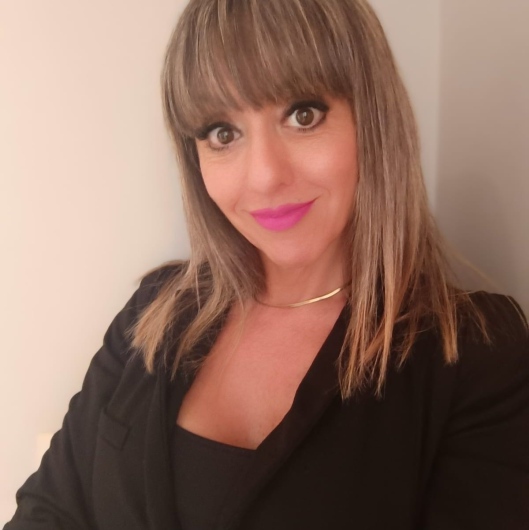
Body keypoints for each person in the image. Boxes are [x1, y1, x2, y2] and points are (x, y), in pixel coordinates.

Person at [5, 0, 529, 528]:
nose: (263, 177)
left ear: (373, 121)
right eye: (222, 133)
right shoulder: (152, 314)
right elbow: (48, 509)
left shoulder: (475, 355)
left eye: (303, 115)